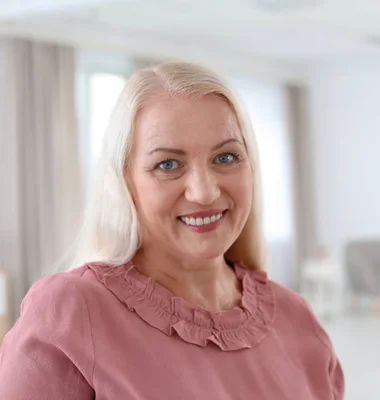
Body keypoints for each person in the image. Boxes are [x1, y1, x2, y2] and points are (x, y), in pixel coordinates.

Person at [0, 62, 344, 399]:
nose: (204, 192)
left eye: (225, 158)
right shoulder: (72, 313)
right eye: (168, 164)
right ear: (125, 183)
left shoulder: (296, 317)